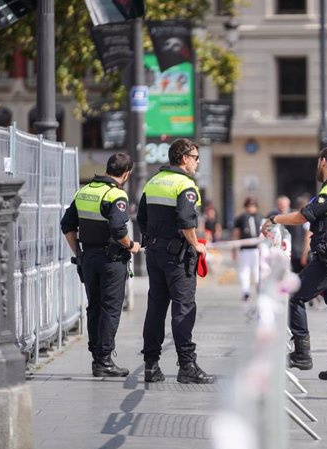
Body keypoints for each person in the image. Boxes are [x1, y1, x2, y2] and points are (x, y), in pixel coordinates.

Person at [261, 145, 327, 381]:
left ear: (323, 162)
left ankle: (302, 354)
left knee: (292, 295)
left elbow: (302, 217)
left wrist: (274, 219)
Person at [137, 138, 214, 384]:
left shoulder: (153, 181)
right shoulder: (186, 185)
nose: (198, 162)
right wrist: (196, 244)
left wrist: (154, 240)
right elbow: (185, 220)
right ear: (184, 158)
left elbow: (141, 218)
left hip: (155, 253)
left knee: (156, 309)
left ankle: (151, 365)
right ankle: (187, 366)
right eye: (195, 157)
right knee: (183, 308)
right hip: (178, 256)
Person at [60, 152, 140, 377]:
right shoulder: (115, 195)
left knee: (94, 307)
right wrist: (131, 245)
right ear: (126, 174)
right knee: (110, 309)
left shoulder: (84, 191)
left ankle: (97, 358)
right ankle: (104, 360)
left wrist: (79, 252)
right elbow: (118, 229)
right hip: (111, 260)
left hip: (88, 259)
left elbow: (67, 225)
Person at [232, 196, 264, 302]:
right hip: (245, 249)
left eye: (253, 206)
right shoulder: (241, 218)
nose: (251, 208)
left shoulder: (260, 217)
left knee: (257, 271)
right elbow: (236, 234)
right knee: (244, 271)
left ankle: (259, 288)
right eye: (249, 206)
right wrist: (234, 249)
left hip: (257, 249)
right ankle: (245, 292)